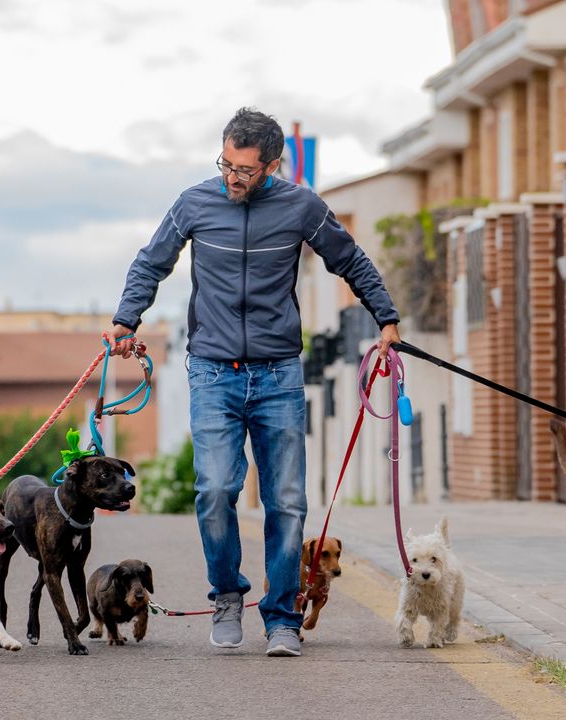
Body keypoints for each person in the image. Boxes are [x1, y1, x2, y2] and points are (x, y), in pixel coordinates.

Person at [105, 107, 401, 657]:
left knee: (286, 501)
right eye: (226, 163)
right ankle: (225, 595)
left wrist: (386, 318)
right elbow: (151, 263)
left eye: (244, 169)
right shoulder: (194, 203)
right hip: (212, 371)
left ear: (270, 165)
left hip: (278, 373)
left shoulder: (300, 207)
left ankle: (283, 616)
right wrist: (127, 319)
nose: (232, 177)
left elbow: (351, 261)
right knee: (215, 490)